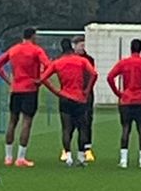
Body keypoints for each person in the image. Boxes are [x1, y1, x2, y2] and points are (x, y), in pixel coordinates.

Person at [0, 28, 50, 169]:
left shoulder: (14, 49)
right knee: (26, 122)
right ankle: (21, 157)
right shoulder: (36, 50)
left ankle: (8, 157)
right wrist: (40, 80)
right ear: (33, 36)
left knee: (12, 121)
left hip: (16, 89)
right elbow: (48, 66)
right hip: (30, 89)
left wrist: (8, 80)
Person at [42, 35, 99, 165]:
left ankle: (68, 156)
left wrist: (56, 91)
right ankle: (81, 156)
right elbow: (94, 74)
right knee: (82, 128)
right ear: (72, 48)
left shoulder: (57, 62)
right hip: (79, 98)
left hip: (65, 98)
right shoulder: (81, 61)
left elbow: (43, 78)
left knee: (66, 128)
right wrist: (87, 90)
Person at [108, 38, 141, 167]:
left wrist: (118, 93)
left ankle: (123, 160)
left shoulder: (124, 63)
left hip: (126, 100)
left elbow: (110, 77)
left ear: (131, 48)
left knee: (125, 128)